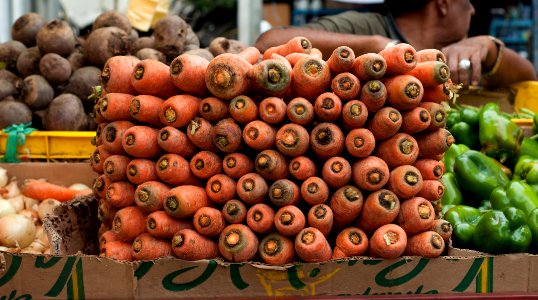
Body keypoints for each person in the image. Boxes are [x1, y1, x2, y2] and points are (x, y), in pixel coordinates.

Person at [255, 0, 537, 89]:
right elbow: (269, 42)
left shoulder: (462, 49)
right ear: (443, 3)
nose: (473, 10)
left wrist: (488, 47)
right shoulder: (367, 27)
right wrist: (378, 46)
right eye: (468, 1)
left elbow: (528, 77)